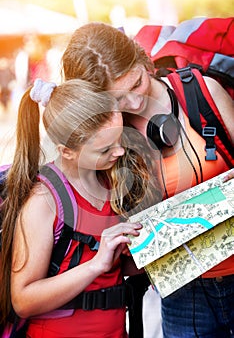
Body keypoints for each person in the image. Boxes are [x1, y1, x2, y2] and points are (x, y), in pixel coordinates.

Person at [61, 22, 234, 338]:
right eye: (115, 100)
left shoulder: (204, 92)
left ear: (144, 60)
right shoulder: (106, 141)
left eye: (136, 84)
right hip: (182, 292)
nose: (133, 104)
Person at [0, 77, 161, 338]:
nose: (119, 152)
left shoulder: (109, 178)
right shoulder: (44, 199)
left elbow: (112, 270)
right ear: (67, 151)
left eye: (120, 139)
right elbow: (23, 300)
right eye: (105, 148)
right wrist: (97, 264)